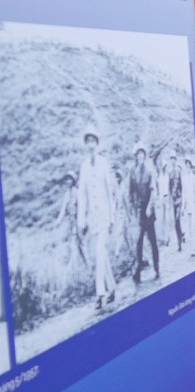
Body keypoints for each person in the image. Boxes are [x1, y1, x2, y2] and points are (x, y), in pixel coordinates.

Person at [76, 128, 117, 309]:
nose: (91, 145)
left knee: (100, 251)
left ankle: (100, 293)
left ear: (97, 144)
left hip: (105, 217)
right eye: (88, 141)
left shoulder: (103, 163)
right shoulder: (84, 166)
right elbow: (82, 195)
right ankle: (113, 288)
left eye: (93, 141)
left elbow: (110, 192)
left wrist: (112, 217)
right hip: (93, 219)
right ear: (86, 144)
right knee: (102, 255)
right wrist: (81, 220)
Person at [129, 143, 159, 283]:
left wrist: (149, 207)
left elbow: (153, 191)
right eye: (138, 154)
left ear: (144, 155)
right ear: (136, 156)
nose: (140, 156)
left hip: (149, 213)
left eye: (142, 154)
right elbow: (132, 192)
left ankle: (157, 268)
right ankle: (138, 273)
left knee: (152, 241)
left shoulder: (149, 171)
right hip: (140, 213)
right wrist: (134, 208)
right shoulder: (133, 172)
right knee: (139, 243)